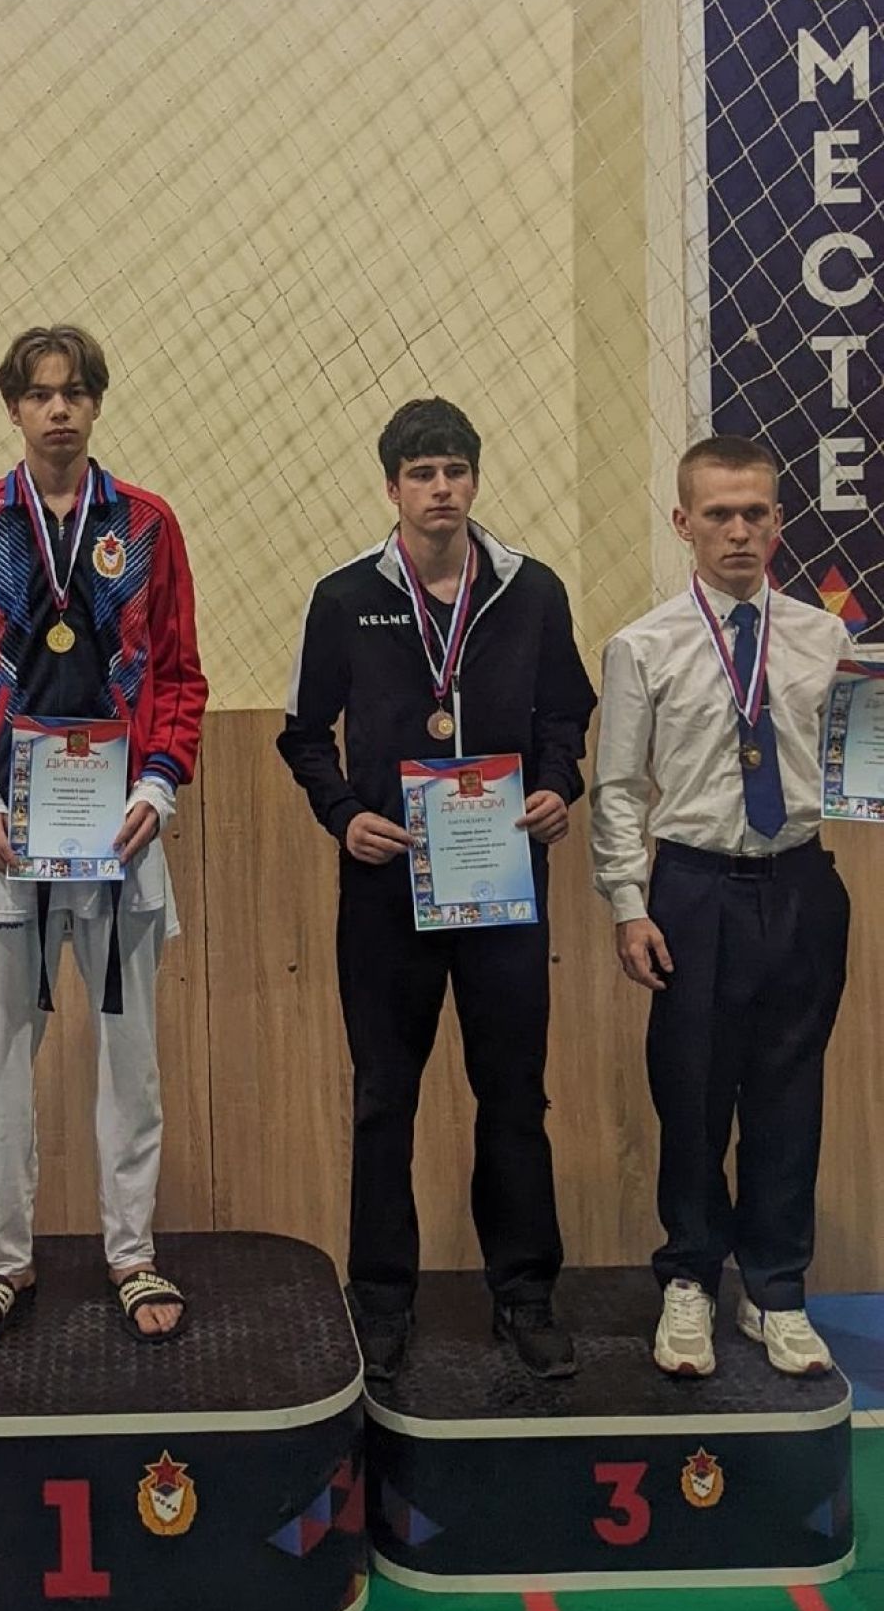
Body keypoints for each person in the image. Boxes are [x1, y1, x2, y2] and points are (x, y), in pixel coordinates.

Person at [278, 398, 596, 1382]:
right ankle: (380, 1299)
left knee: (514, 1094)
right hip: (387, 885)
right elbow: (303, 734)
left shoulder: (531, 590)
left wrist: (558, 786)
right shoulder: (343, 598)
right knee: (384, 1096)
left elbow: (566, 714)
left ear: (475, 479)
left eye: (455, 469)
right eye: (421, 473)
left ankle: (526, 1293)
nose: (441, 488)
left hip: (503, 882)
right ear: (392, 488)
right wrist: (343, 814)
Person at [0, 325, 208, 1345]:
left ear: (95, 404)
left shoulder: (148, 525)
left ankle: (132, 1251)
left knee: (131, 1059)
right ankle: (4, 1259)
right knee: (1, 1061)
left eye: (75, 392)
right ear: (13, 407)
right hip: (5, 833)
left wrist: (161, 782)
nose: (58, 410)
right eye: (40, 394)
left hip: (120, 831)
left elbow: (179, 674)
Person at [590, 435, 849, 1378]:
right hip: (693, 890)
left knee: (789, 1094)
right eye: (718, 514)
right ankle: (692, 1279)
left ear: (779, 521)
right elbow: (619, 788)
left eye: (754, 514)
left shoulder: (826, 642)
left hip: (801, 884)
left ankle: (776, 1290)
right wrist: (629, 903)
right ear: (683, 523)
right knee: (693, 1094)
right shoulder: (644, 646)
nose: (738, 531)